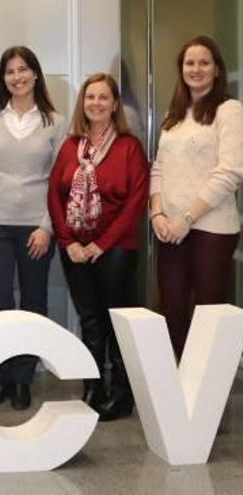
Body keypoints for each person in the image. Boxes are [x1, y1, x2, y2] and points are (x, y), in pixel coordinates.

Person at [0, 46, 66, 410]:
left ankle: (24, 378)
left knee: (33, 302)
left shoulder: (55, 121)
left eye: (23, 70)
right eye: (10, 71)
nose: (17, 77)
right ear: (3, 78)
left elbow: (59, 181)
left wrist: (47, 227)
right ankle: (3, 376)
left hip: (36, 228)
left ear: (35, 74)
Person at [48, 73, 148, 421]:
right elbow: (54, 196)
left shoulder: (128, 147)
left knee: (116, 320)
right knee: (90, 319)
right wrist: (69, 241)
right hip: (75, 247)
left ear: (115, 104)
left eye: (103, 97)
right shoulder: (69, 147)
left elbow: (135, 203)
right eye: (90, 97)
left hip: (116, 248)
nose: (96, 103)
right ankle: (93, 386)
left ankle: (122, 392)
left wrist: (101, 245)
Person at [150, 35, 243, 359]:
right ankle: (180, 386)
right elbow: (158, 168)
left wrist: (187, 218)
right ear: (181, 69)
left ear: (217, 69)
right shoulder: (173, 115)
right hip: (170, 229)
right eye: (190, 63)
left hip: (211, 228)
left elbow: (230, 172)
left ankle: (208, 393)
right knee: (172, 307)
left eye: (204, 62)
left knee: (208, 313)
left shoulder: (229, 110)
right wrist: (157, 215)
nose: (196, 69)